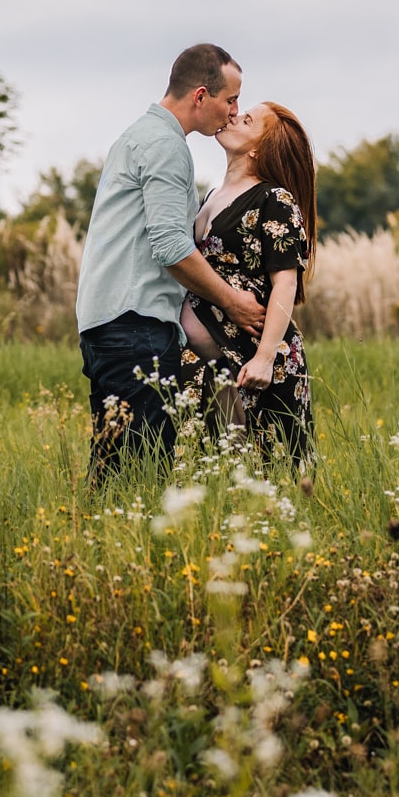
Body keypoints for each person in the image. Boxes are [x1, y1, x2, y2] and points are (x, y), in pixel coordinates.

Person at [75, 44, 267, 481]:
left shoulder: (139, 135)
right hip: (135, 324)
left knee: (113, 473)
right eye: (230, 99)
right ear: (201, 96)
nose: (234, 111)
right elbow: (170, 247)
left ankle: (90, 547)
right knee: (144, 474)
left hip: (109, 323)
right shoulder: (165, 146)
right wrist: (233, 302)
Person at [180, 101, 318, 464]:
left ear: (259, 148)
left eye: (248, 119)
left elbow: (286, 284)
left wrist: (263, 358)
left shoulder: (274, 200)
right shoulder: (211, 196)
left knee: (274, 471)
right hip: (216, 360)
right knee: (225, 470)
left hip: (257, 360)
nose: (233, 116)